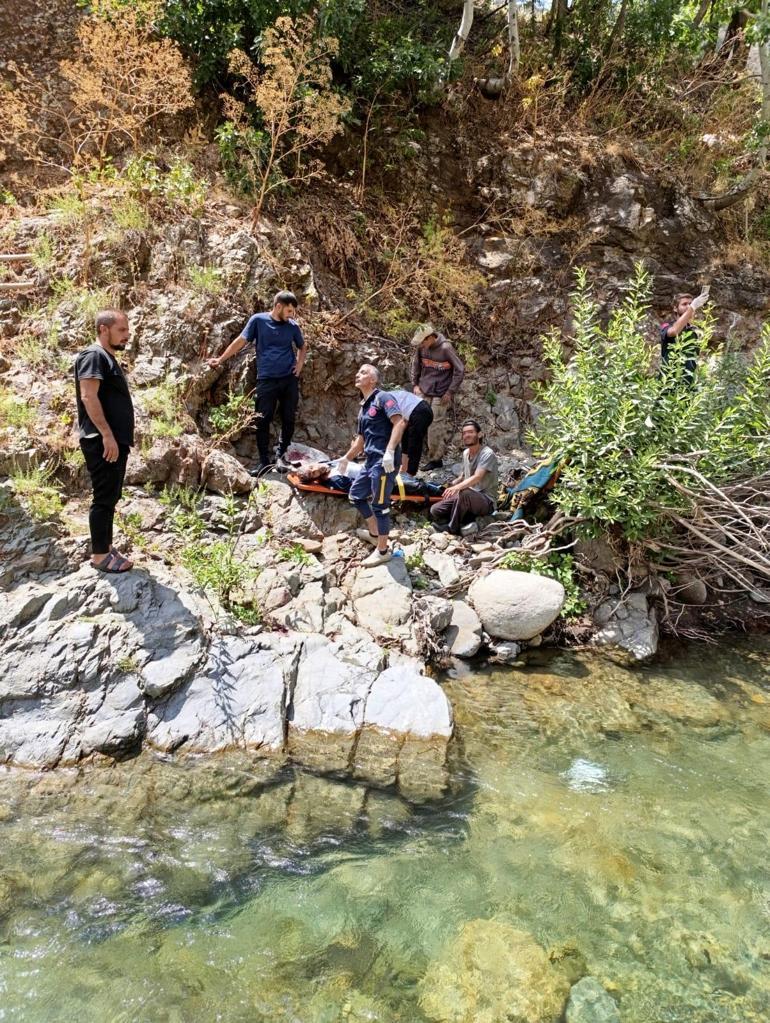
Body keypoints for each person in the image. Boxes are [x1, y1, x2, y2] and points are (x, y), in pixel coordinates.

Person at [208, 290, 306, 475]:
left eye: (293, 312)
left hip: (288, 379)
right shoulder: (258, 321)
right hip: (266, 379)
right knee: (262, 419)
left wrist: (299, 366)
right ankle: (263, 462)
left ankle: (281, 456)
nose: (292, 315)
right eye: (289, 311)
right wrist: (220, 360)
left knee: (288, 418)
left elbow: (302, 346)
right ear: (278, 307)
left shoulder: (292, 326)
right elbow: (240, 341)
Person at [74, 310, 135, 573]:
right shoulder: (93, 356)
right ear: (103, 329)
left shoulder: (106, 358)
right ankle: (100, 556)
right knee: (103, 498)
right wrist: (107, 435)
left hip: (112, 440)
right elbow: (88, 396)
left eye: (127, 331)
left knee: (110, 495)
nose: (127, 336)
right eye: (121, 330)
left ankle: (106, 548)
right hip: (102, 440)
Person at [337, 364, 405, 567]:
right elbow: (360, 441)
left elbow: (399, 423)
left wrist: (390, 451)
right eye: (358, 372)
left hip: (385, 462)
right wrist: (346, 458)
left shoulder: (383, 398)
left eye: (364, 372)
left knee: (380, 506)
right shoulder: (363, 408)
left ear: (373, 380)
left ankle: (383, 551)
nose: (358, 374)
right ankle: (375, 532)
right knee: (356, 495)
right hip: (371, 461)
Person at [410, 323, 465, 470]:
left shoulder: (446, 348)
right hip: (423, 389)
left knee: (435, 426)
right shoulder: (421, 348)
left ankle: (435, 459)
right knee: (416, 421)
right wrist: (415, 384)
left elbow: (460, 370)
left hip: (441, 393)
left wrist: (450, 392)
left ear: (430, 337)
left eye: (423, 341)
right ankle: (412, 456)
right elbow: (416, 366)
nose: (421, 344)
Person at [430, 419, 498, 536]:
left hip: (486, 500)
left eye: (470, 432)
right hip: (467, 496)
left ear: (479, 434)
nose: (467, 435)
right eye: (464, 433)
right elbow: (464, 474)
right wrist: (454, 483)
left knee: (464, 493)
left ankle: (452, 528)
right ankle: (466, 518)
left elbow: (477, 477)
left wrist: (457, 488)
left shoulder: (487, 453)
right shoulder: (466, 453)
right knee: (435, 509)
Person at [660, 287, 709, 385]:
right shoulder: (667, 326)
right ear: (675, 308)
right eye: (684, 304)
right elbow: (674, 332)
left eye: (690, 304)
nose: (688, 306)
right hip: (669, 382)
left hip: (688, 384)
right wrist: (692, 307)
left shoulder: (694, 331)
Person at [389, 387, 433, 476]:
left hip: (420, 411)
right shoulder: (387, 395)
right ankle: (404, 468)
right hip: (415, 411)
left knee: (414, 443)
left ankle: (410, 474)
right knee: (405, 439)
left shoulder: (381, 399)